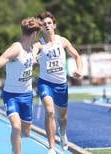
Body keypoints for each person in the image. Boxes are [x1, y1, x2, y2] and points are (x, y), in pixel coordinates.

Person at [0, 17, 42, 154]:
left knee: (26, 133)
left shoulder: (33, 47)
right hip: (11, 96)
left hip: (27, 95)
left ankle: (15, 142)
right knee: (16, 127)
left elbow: (40, 46)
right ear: (34, 34)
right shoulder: (16, 49)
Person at [33, 11, 83, 154]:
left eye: (49, 23)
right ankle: (51, 147)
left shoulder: (63, 41)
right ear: (41, 28)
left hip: (61, 84)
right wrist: (33, 58)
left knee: (62, 117)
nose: (47, 26)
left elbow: (76, 55)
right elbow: (33, 53)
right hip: (45, 83)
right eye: (43, 24)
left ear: (54, 25)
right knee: (49, 111)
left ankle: (63, 133)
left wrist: (79, 69)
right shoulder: (39, 44)